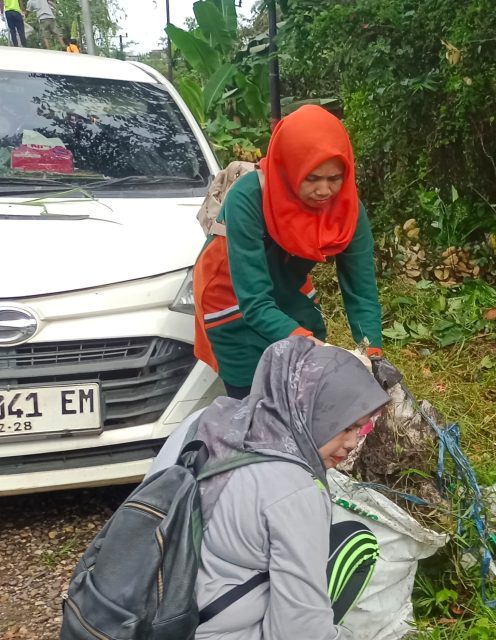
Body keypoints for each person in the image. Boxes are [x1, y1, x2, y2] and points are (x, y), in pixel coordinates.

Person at [148, 336, 389, 639]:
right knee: (356, 544)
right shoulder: (296, 489)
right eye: (348, 426)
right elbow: (297, 632)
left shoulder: (205, 420)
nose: (353, 443)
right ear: (315, 409)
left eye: (361, 428)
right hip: (209, 630)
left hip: (143, 607)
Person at [194, 105, 384, 400]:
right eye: (312, 178)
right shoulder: (248, 198)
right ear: (290, 167)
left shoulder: (347, 207)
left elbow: (361, 290)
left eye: (334, 178)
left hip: (287, 285)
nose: (325, 191)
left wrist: (372, 352)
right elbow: (254, 303)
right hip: (231, 293)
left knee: (308, 387)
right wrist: (312, 346)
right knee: (255, 394)